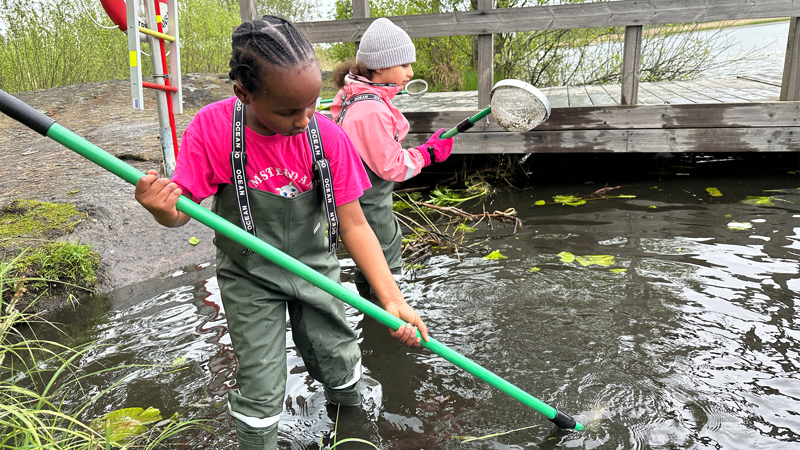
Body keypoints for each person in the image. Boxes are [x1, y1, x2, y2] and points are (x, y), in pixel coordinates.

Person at [134, 15, 429, 450]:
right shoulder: (213, 128)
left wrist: (393, 300)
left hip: (315, 269)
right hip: (248, 276)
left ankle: (352, 435)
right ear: (244, 93)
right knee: (260, 387)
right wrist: (162, 211)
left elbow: (354, 224)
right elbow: (183, 212)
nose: (304, 120)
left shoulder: (326, 135)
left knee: (340, 365)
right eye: (288, 111)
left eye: (311, 105)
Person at [330, 18, 454, 300]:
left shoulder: (352, 95)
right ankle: (388, 330)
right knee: (386, 266)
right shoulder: (370, 110)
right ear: (380, 66)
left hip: (358, 204)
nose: (410, 72)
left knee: (367, 267)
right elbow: (391, 166)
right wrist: (428, 153)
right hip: (370, 209)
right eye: (404, 65)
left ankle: (370, 321)